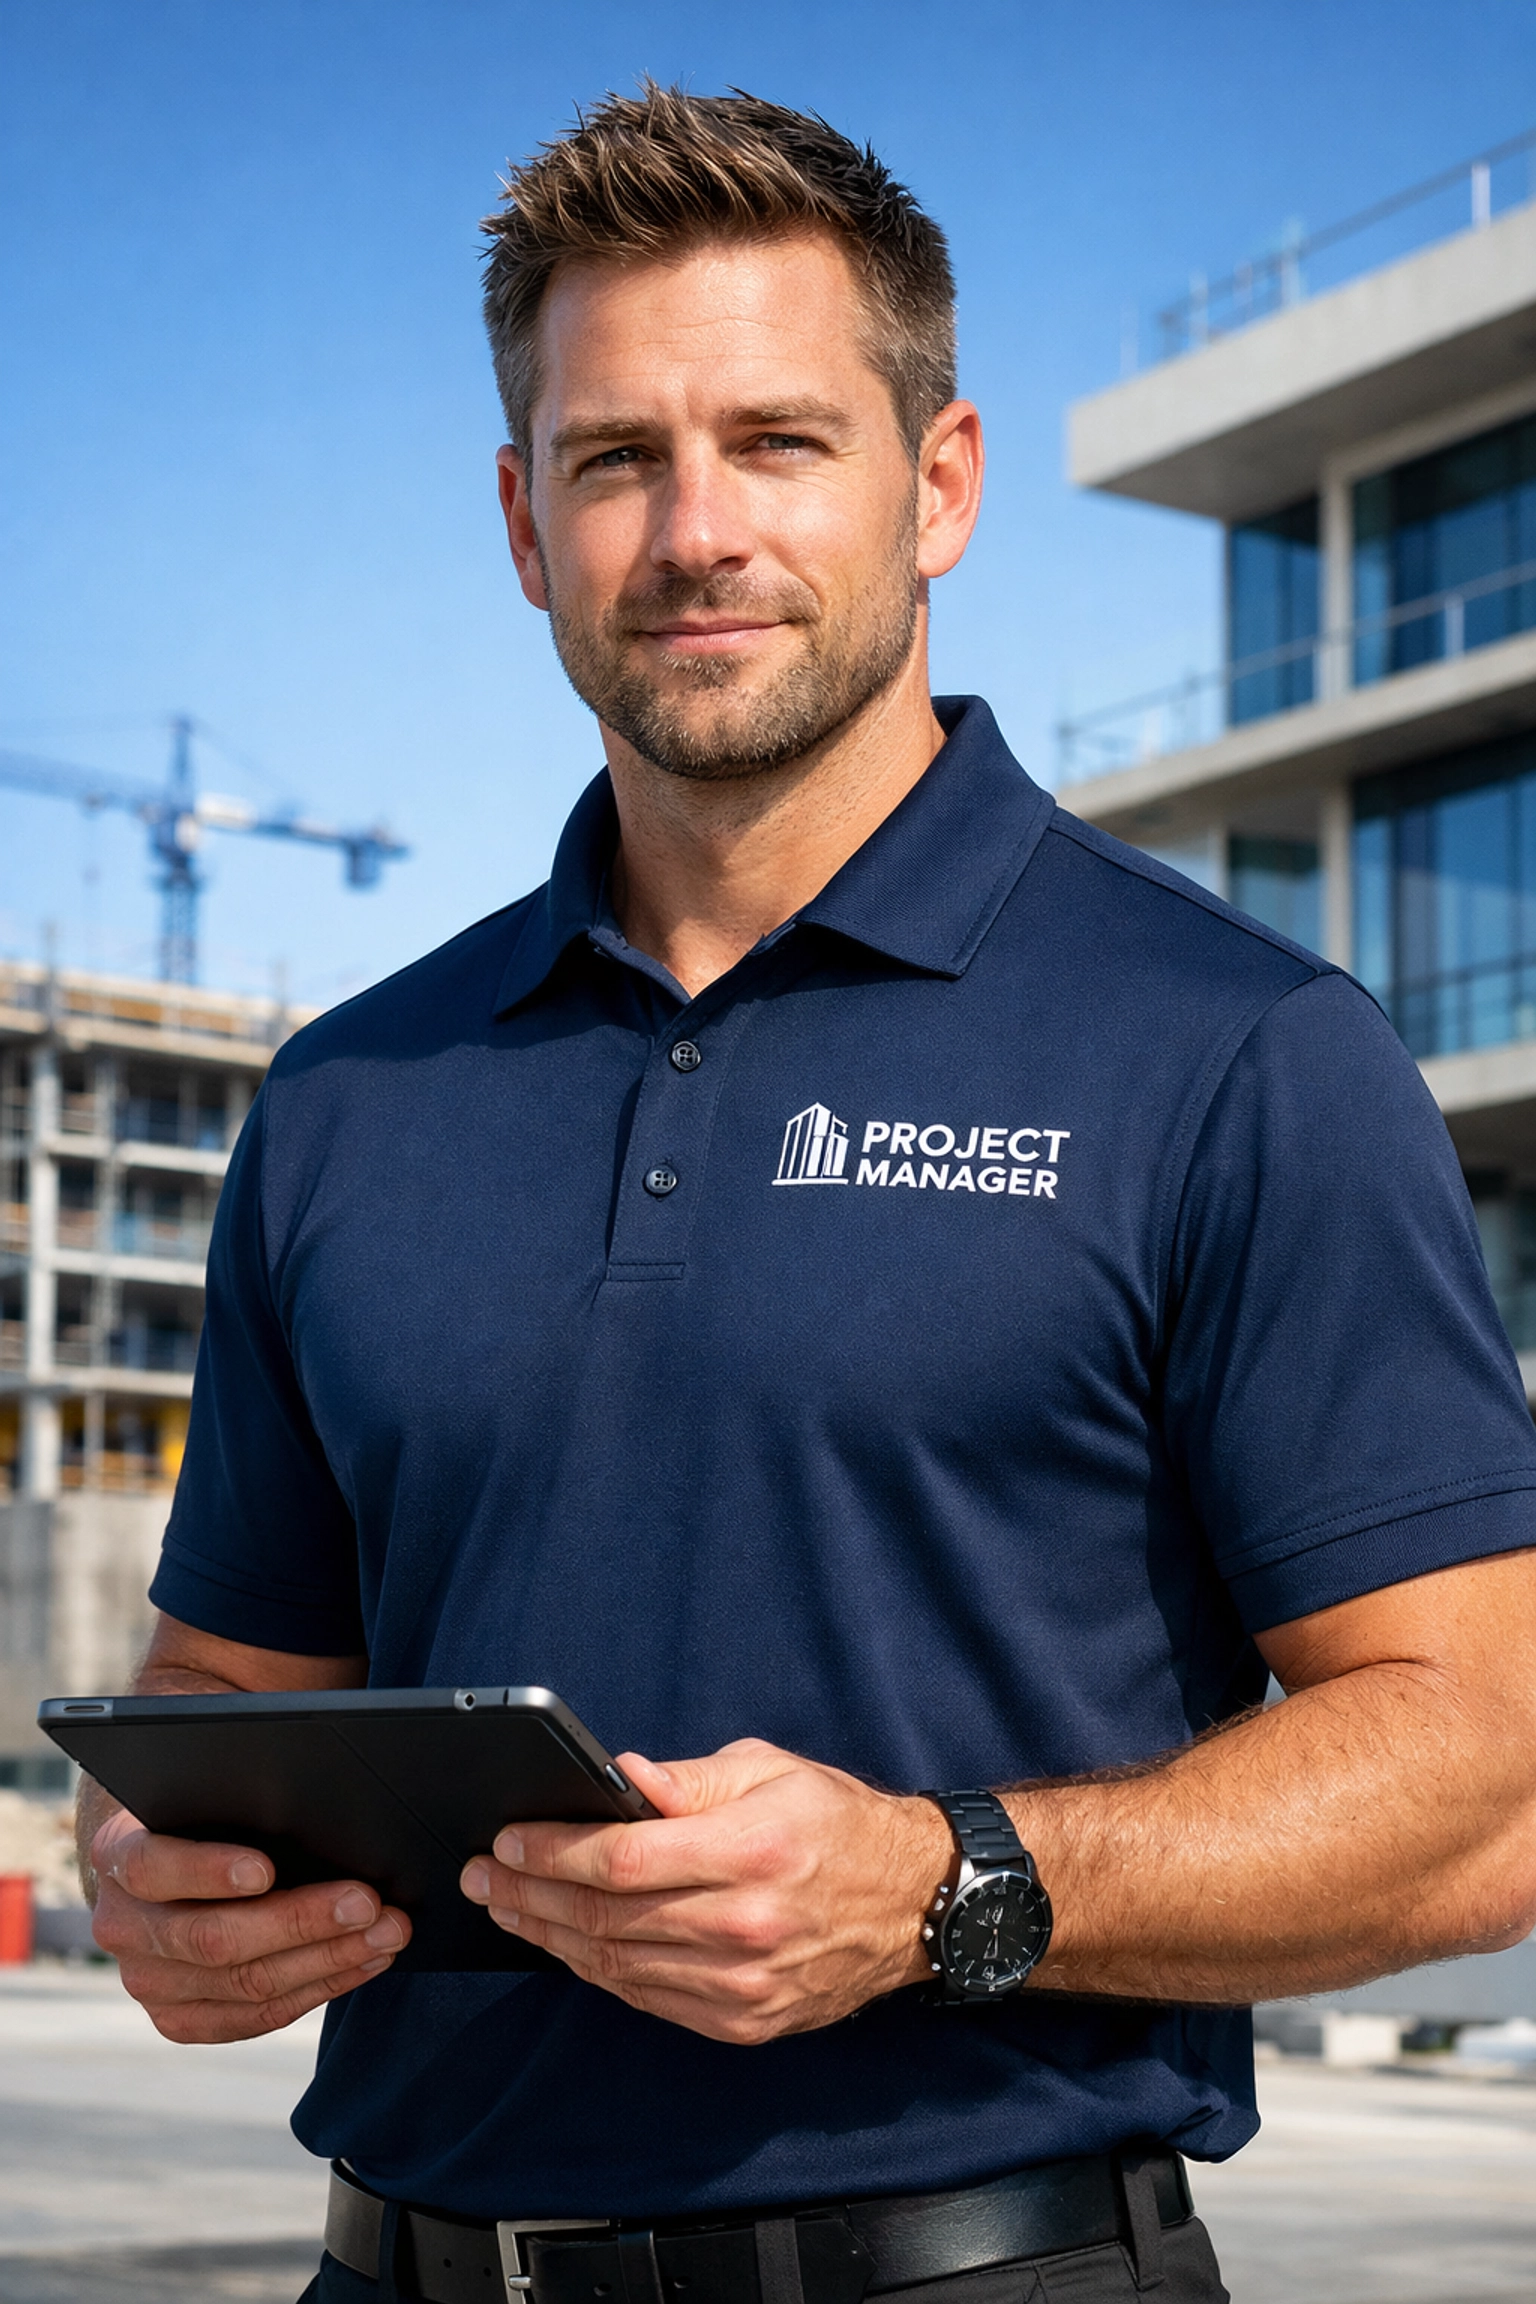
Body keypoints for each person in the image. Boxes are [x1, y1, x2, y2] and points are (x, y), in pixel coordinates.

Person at [81, 86, 1536, 2304]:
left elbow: (1487, 1771)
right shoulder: (352, 1094)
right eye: (612, 459)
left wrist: (945, 1883)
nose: (693, 531)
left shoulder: (1236, 1048)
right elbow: (220, 1688)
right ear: (518, 518)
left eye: (776, 442)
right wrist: (157, 1861)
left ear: (937, 486)